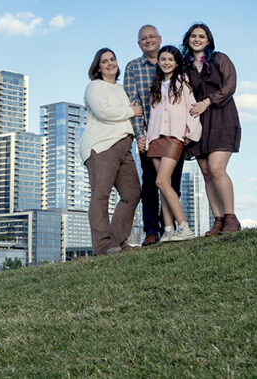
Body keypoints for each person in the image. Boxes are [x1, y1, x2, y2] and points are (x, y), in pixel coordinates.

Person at [124, 25, 185, 246]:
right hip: (148, 138)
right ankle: (152, 231)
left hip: (172, 136)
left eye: (152, 37)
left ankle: (171, 228)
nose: (148, 41)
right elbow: (134, 104)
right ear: (139, 44)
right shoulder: (133, 68)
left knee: (172, 183)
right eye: (143, 39)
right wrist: (140, 136)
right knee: (150, 184)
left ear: (160, 39)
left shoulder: (173, 62)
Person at [80, 48, 143, 256]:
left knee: (132, 193)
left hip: (124, 146)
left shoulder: (122, 89)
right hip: (102, 145)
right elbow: (103, 112)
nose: (109, 63)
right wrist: (130, 111)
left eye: (112, 59)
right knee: (101, 195)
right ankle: (102, 246)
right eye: (104, 61)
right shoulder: (95, 86)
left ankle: (115, 242)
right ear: (98, 67)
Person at [182, 22, 242, 235]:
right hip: (199, 123)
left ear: (208, 40)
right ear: (188, 40)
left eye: (201, 36)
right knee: (206, 173)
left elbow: (230, 86)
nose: (197, 39)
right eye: (193, 36)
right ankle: (217, 220)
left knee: (217, 169)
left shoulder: (219, 59)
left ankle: (231, 218)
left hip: (222, 117)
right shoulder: (185, 67)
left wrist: (207, 102)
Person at [138, 46, 200, 241]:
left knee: (162, 181)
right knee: (162, 186)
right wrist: (147, 139)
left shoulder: (182, 82)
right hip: (155, 138)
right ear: (159, 62)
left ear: (176, 62)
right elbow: (153, 116)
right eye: (163, 59)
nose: (166, 62)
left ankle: (184, 227)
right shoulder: (155, 86)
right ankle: (168, 229)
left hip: (174, 136)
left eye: (170, 59)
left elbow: (192, 108)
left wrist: (190, 132)